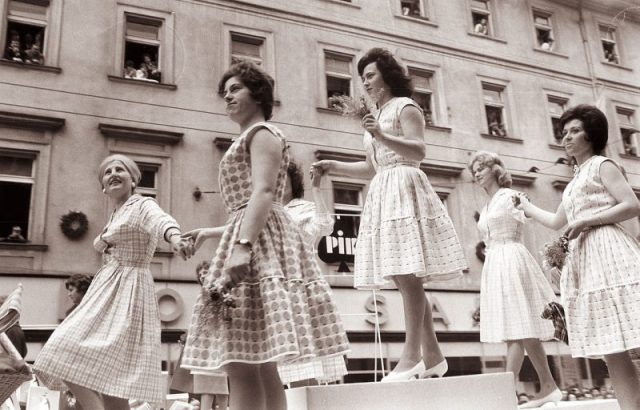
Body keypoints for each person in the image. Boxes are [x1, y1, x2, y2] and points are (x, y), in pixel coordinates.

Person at [181, 61, 349, 410]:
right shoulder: (252, 136)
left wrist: (242, 247)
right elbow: (252, 203)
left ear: (257, 94)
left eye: (235, 89)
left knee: (240, 360)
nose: (227, 97)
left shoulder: (262, 134)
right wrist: (213, 234)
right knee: (257, 361)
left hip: (256, 242)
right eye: (224, 92)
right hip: (254, 233)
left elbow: (262, 193)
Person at [313, 48, 466, 381]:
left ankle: (412, 356)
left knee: (407, 273)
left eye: (370, 75)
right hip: (384, 188)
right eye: (362, 78)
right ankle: (434, 355)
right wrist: (333, 165)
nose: (365, 83)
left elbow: (419, 150)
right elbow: (372, 166)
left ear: (387, 75)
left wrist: (381, 134)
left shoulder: (405, 107)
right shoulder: (376, 117)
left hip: (404, 184)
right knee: (401, 276)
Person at [32, 154, 193, 410]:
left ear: (133, 180)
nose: (114, 173)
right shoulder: (115, 215)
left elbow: (161, 220)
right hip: (106, 288)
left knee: (67, 353)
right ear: (103, 186)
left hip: (128, 289)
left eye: (121, 169)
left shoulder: (142, 204)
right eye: (108, 172)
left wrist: (175, 239)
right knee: (107, 381)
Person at [515, 104, 640, 410]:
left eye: (574, 131)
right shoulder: (573, 181)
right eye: (564, 132)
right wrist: (525, 206)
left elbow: (631, 204)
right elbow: (558, 220)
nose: (566, 138)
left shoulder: (602, 165)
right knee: (613, 348)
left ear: (591, 134)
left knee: (631, 336)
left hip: (609, 251)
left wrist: (588, 221)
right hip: (586, 262)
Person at [469, 151, 561, 408]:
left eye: (481, 168)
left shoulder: (510, 196)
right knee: (522, 328)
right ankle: (549, 386)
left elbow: (528, 213)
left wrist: (525, 204)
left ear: (495, 170)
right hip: (496, 262)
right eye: (474, 170)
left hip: (511, 257)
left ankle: (505, 394)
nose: (476, 173)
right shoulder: (487, 205)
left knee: (516, 329)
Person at [277, 160, 348, 385]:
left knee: (306, 356)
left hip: (302, 280)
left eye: (283, 176)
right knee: (282, 358)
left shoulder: (302, 207)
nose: (279, 182)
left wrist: (316, 188)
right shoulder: (263, 209)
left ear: (292, 181)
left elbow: (325, 225)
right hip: (274, 283)